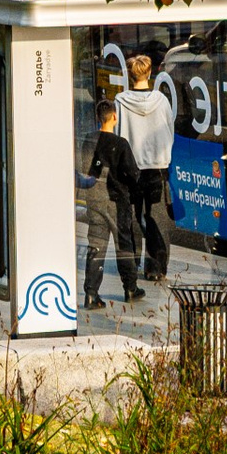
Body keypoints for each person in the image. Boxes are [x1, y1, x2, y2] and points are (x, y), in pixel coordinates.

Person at [81, 95, 144, 308]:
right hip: (117, 201)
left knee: (96, 245)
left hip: (95, 199)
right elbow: (133, 174)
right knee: (123, 245)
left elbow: (88, 168)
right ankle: (130, 288)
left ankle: (91, 294)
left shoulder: (89, 139)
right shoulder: (120, 144)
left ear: (98, 117)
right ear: (114, 117)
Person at [118, 55, 176, 289]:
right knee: (156, 218)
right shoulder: (161, 101)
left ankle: (132, 263)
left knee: (132, 218)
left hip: (131, 167)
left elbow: (119, 133)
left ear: (130, 75)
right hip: (157, 166)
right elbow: (169, 129)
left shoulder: (120, 101)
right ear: (149, 74)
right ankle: (156, 267)